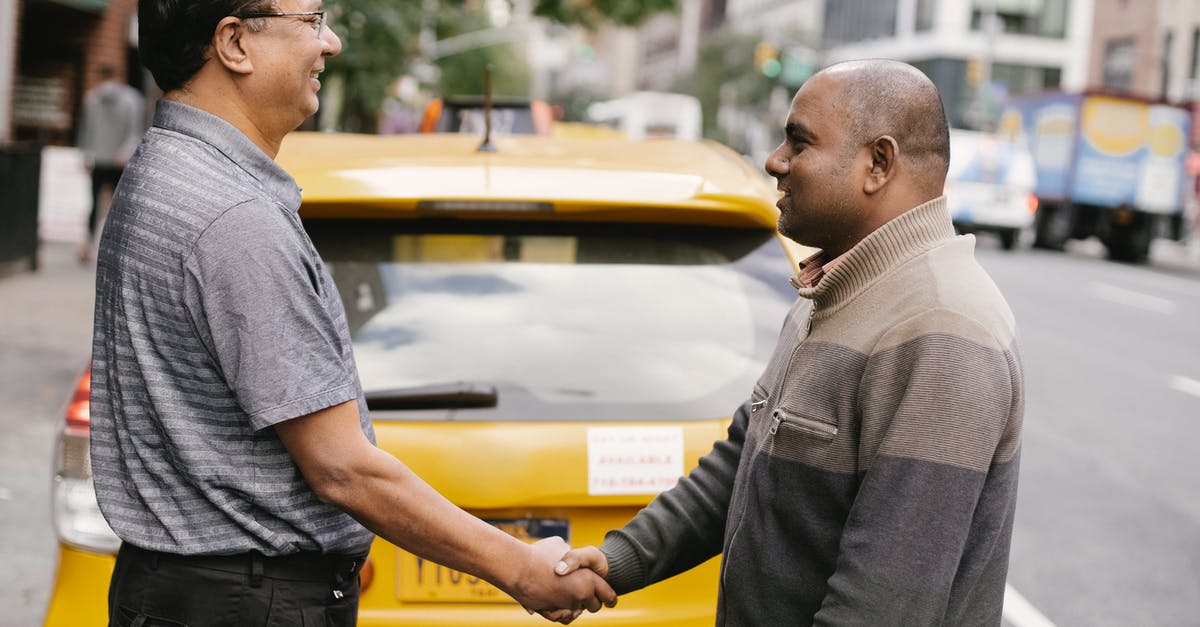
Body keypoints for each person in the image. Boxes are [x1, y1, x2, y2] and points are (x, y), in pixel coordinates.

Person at [90, 1, 614, 625]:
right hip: (246, 603)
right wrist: (519, 568)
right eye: (311, 21)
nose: (331, 43)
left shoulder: (165, 167)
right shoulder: (234, 219)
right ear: (233, 43)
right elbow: (342, 468)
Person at [556, 59, 1025, 626]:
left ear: (878, 163)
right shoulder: (837, 286)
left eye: (798, 143)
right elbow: (741, 464)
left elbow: (881, 607)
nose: (774, 161)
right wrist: (616, 562)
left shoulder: (943, 329)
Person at [76, 64, 144, 263]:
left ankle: (99, 245)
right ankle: (102, 246)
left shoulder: (93, 98)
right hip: (112, 160)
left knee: (103, 204)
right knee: (112, 205)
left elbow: (85, 130)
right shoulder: (129, 99)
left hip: (107, 159)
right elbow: (134, 130)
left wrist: (87, 154)